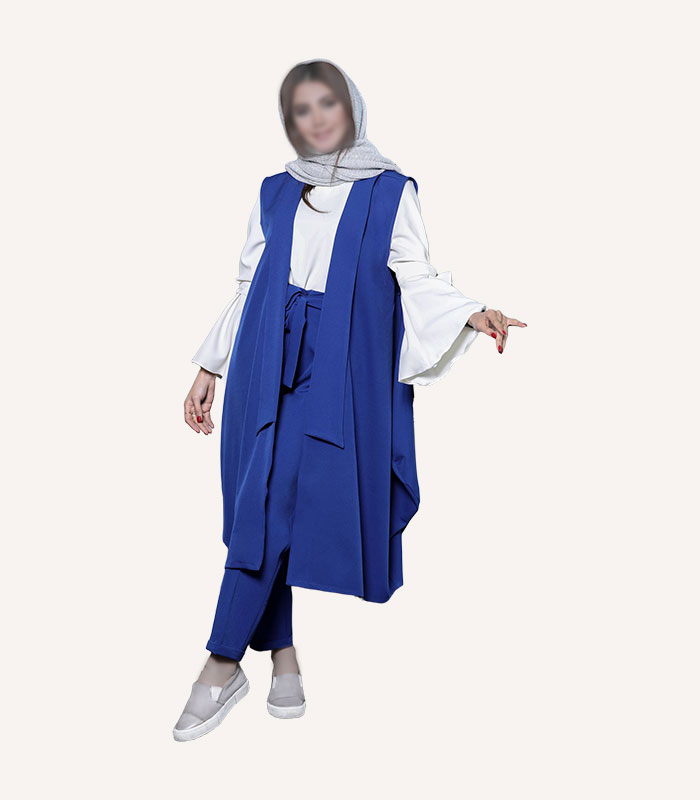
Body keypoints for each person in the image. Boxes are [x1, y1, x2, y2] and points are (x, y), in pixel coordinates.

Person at [172, 57, 526, 741]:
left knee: (272, 500)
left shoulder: (390, 191)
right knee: (259, 504)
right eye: (301, 110)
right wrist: (208, 366)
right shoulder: (276, 190)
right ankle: (283, 657)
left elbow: (414, 275)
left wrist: (470, 312)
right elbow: (248, 284)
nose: (316, 119)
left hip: (337, 366)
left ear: (352, 106)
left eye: (326, 103)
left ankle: (220, 663)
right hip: (263, 357)